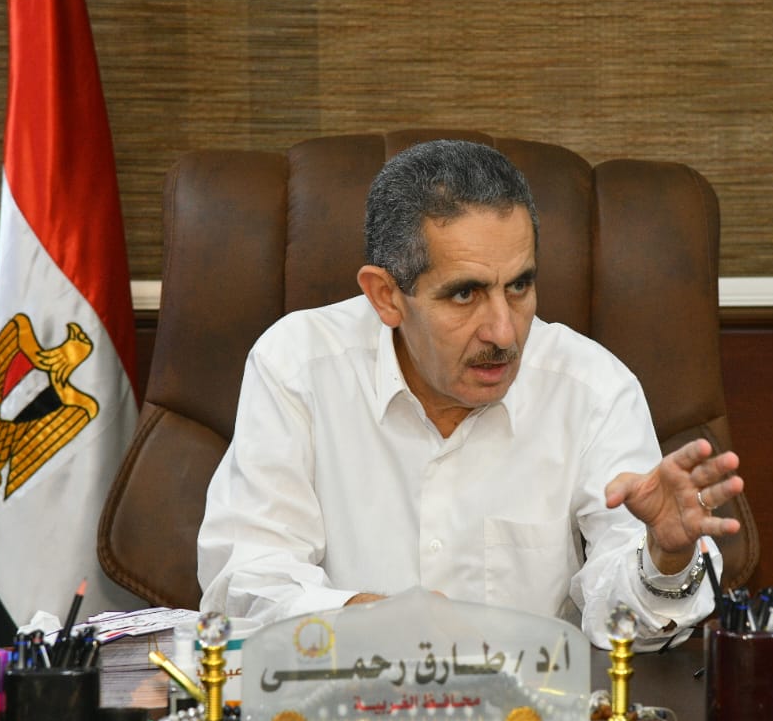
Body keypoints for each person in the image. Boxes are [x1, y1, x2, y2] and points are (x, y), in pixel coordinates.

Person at [197, 139, 744, 650]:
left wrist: (664, 558)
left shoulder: (593, 388)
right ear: (385, 296)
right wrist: (372, 620)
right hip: (343, 702)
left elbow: (627, 627)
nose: (504, 333)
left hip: (529, 710)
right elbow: (244, 580)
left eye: (519, 286)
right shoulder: (297, 366)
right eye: (465, 294)